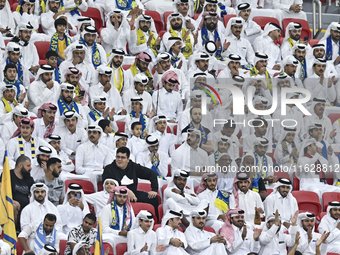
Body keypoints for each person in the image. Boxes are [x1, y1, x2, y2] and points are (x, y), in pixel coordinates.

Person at [102, 147, 159, 216]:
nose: (119, 159)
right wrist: (127, 191)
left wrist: (154, 190)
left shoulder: (133, 166)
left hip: (133, 195)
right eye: (118, 157)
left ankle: (153, 221)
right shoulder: (109, 169)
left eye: (123, 157)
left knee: (154, 199)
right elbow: (109, 187)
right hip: (116, 196)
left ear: (128, 159)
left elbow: (152, 173)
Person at [99, 186, 135, 255]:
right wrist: (119, 233)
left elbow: (133, 224)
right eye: (120, 196)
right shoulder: (107, 208)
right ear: (115, 196)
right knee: (108, 239)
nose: (122, 199)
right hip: (112, 235)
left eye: (124, 197)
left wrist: (129, 232)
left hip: (125, 235)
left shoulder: (129, 209)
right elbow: (104, 229)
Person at [0, 155, 34, 228]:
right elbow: (1, 192)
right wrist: (11, 201)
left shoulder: (29, 178)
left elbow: (33, 195)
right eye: (28, 166)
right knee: (13, 207)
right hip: (9, 205)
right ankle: (14, 232)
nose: (30, 168)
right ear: (20, 165)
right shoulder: (7, 175)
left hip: (26, 207)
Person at [75, 124, 113, 189]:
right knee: (94, 175)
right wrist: (92, 171)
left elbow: (108, 167)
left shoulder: (105, 149)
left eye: (94, 132)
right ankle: (95, 193)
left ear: (100, 135)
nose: (91, 134)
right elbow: (78, 169)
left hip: (101, 172)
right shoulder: (81, 147)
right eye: (89, 132)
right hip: (86, 173)